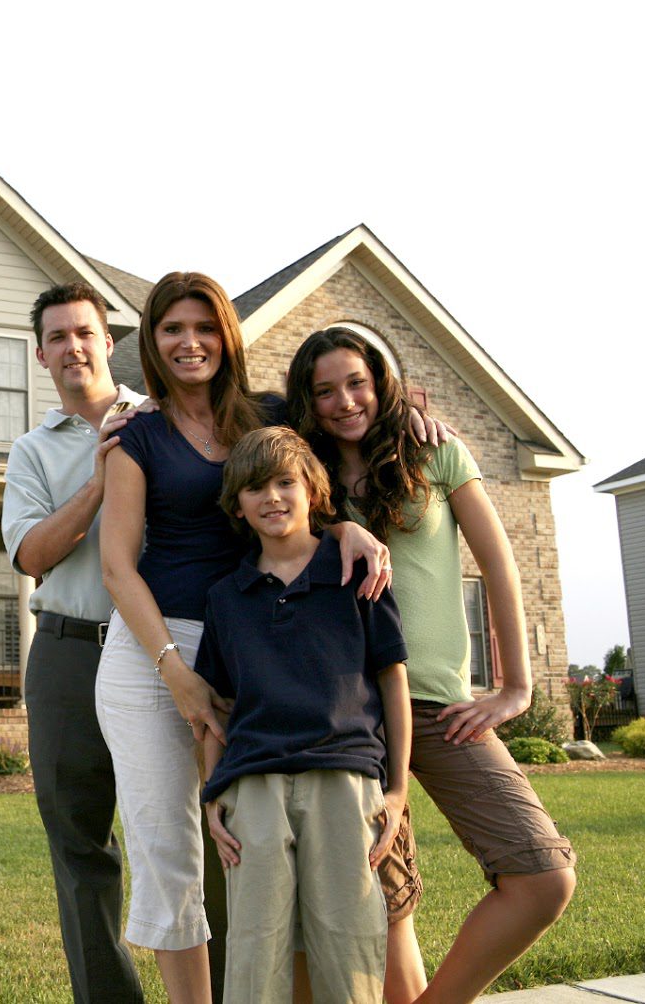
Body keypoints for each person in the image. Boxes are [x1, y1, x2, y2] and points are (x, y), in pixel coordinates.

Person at [97, 272, 421, 1004]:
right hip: (157, 648)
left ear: (227, 337)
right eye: (172, 329)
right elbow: (117, 567)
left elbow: (313, 476)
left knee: (268, 846)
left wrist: (349, 525)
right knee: (171, 853)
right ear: (151, 342)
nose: (190, 343)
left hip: (260, 640)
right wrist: (175, 670)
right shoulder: (137, 435)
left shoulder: (271, 412)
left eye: (204, 327)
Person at [285, 327, 577, 1004]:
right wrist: (335, 526)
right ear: (307, 399)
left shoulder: (436, 449)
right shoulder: (304, 473)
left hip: (441, 706)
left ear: (382, 381)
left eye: (357, 382)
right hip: (348, 712)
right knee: (388, 903)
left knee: (541, 875)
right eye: (324, 390)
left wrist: (515, 686)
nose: (344, 401)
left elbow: (498, 563)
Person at [196, 426, 412, 1004]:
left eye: (285, 482)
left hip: (345, 779)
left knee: (350, 945)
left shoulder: (358, 574)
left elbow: (393, 681)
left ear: (313, 489)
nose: (272, 497)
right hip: (254, 785)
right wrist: (211, 794)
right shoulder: (225, 598)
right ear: (236, 506)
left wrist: (396, 791)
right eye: (255, 487)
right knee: (255, 950)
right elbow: (217, 706)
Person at [2, 281, 149, 1004]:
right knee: (81, 847)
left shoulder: (161, 422)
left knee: (186, 832)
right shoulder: (30, 452)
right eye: (57, 337)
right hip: (66, 654)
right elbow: (33, 554)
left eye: (83, 332)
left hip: (159, 652)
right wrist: (95, 484)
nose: (73, 347)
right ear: (41, 355)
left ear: (108, 340)